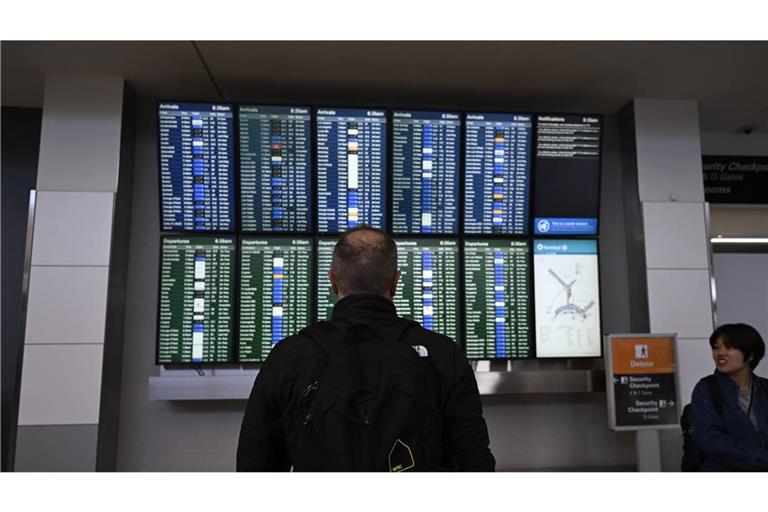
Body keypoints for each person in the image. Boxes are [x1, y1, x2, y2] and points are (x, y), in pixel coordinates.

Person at [236, 225, 495, 471]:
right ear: (395, 282)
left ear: (333, 281)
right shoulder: (443, 355)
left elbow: (255, 467)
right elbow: (475, 463)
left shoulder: (288, 356)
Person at [689, 323, 768, 471]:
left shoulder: (765, 388)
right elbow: (711, 441)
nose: (720, 353)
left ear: (750, 355)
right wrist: (761, 459)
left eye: (729, 347)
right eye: (716, 347)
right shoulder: (707, 388)